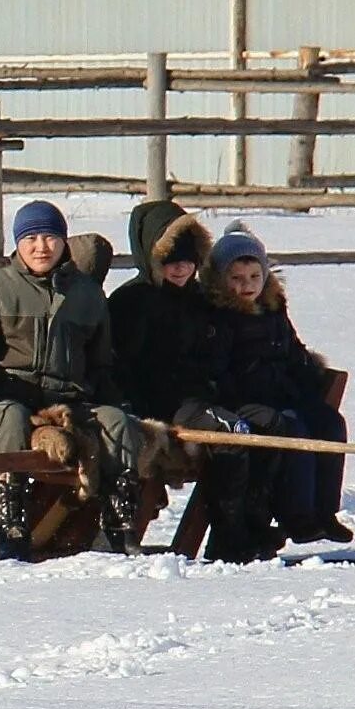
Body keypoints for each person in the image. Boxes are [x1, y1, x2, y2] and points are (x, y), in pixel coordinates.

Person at [0, 200, 144, 560]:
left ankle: (118, 524)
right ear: (18, 244)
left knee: (117, 424)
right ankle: (12, 518)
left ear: (64, 243)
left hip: (68, 399)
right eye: (31, 237)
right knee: (12, 418)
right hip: (4, 395)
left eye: (50, 237)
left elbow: (101, 363)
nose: (41, 246)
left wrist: (117, 400)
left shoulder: (86, 294)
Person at [108, 199, 275, 562]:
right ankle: (230, 538)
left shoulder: (200, 299)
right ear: (152, 258)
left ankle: (254, 526)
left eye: (188, 259)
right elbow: (119, 365)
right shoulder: (132, 303)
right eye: (171, 261)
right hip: (159, 406)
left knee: (267, 428)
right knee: (232, 434)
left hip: (204, 397)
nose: (181, 268)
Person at [202, 221, 353, 545]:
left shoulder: (273, 307)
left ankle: (324, 511)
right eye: (237, 279)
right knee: (292, 428)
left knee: (329, 423)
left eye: (255, 277)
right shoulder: (218, 315)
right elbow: (217, 369)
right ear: (221, 278)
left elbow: (293, 351)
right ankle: (296, 516)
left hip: (280, 392)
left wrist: (307, 375)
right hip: (242, 401)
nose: (247, 286)